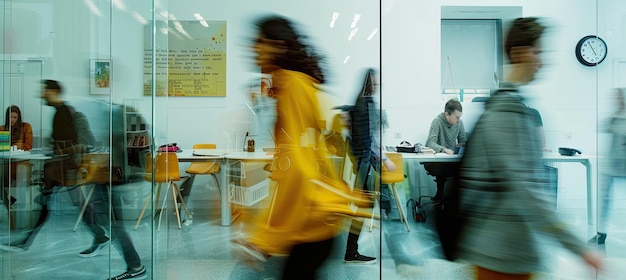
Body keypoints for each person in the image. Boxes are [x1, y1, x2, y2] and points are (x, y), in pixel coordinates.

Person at [455, 17, 603, 279]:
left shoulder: (511, 105)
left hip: (509, 250)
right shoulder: (507, 112)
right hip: (501, 254)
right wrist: (578, 247)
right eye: (538, 52)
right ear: (519, 53)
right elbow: (526, 190)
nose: (542, 61)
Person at [231, 15, 370, 279]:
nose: (252, 48)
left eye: (259, 42)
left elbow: (298, 167)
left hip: (311, 223)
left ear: (278, 46)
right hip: (314, 222)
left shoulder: (292, 86)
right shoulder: (291, 85)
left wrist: (264, 237)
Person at [41, 80, 146, 280]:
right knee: (104, 218)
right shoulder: (106, 113)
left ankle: (135, 266)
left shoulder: (114, 114)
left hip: (109, 175)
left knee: (111, 222)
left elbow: (121, 147)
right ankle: (117, 251)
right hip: (102, 175)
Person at [341, 68, 395, 264]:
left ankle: (351, 250)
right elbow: (370, 139)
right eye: (375, 82)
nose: (377, 86)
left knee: (366, 205)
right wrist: (385, 159)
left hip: (361, 163)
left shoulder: (357, 104)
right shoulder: (368, 104)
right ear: (370, 84)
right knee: (368, 205)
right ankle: (351, 251)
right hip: (366, 163)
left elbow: (353, 137)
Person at [588, 88, 626, 246]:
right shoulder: (614, 117)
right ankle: (601, 233)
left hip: (622, 163)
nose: (616, 100)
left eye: (618, 97)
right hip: (612, 164)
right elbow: (602, 127)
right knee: (604, 199)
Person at [424, 99, 467, 200]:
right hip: (437, 163)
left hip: (452, 161)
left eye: (459, 117)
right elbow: (430, 143)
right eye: (456, 117)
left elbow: (463, 141)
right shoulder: (437, 122)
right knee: (444, 169)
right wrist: (444, 149)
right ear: (447, 114)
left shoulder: (459, 123)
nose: (458, 120)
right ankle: (441, 194)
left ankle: (455, 199)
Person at [1, 105, 34, 204]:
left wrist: (15, 147)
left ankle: (9, 199)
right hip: (6, 162)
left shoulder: (26, 127)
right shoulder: (2, 128)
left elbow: (28, 145)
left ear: (19, 117)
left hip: (20, 161)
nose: (12, 120)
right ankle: (8, 198)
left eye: (15, 117)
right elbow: (1, 147)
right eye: (10, 117)